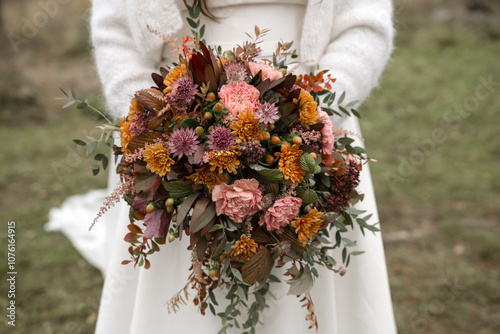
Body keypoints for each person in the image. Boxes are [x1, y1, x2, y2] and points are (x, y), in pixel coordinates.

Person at [50, 0, 397, 333]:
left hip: (308, 119)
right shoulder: (167, 123)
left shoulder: (309, 121)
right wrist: (152, 120)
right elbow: (116, 29)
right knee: (181, 273)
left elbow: (364, 21)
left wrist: (306, 119)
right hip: (176, 123)